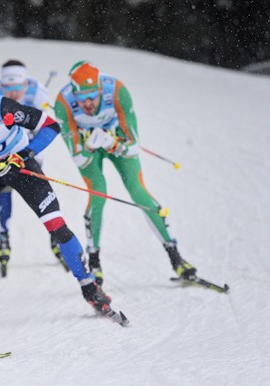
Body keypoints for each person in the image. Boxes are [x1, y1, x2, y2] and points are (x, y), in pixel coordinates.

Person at [0, 68, 116, 316]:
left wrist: (25, 154)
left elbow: (50, 126)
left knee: (55, 223)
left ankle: (90, 287)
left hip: (19, 164)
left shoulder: (3, 108)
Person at [52, 61, 197, 286]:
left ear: (101, 90)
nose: (88, 103)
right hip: (85, 141)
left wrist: (115, 144)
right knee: (98, 194)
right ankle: (95, 262)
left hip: (115, 135)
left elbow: (133, 145)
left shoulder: (118, 91)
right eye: (82, 99)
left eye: (93, 96)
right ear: (74, 94)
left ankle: (176, 257)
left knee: (138, 192)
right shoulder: (63, 104)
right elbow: (78, 156)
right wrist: (90, 145)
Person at [0, 60, 68, 275]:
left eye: (17, 88)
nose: (13, 93)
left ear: (25, 84)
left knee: (40, 194)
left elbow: (46, 128)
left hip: (30, 149)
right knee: (3, 188)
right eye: (8, 88)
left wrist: (27, 150)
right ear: (1, 87)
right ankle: (3, 238)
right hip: (5, 149)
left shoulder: (38, 93)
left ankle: (55, 237)